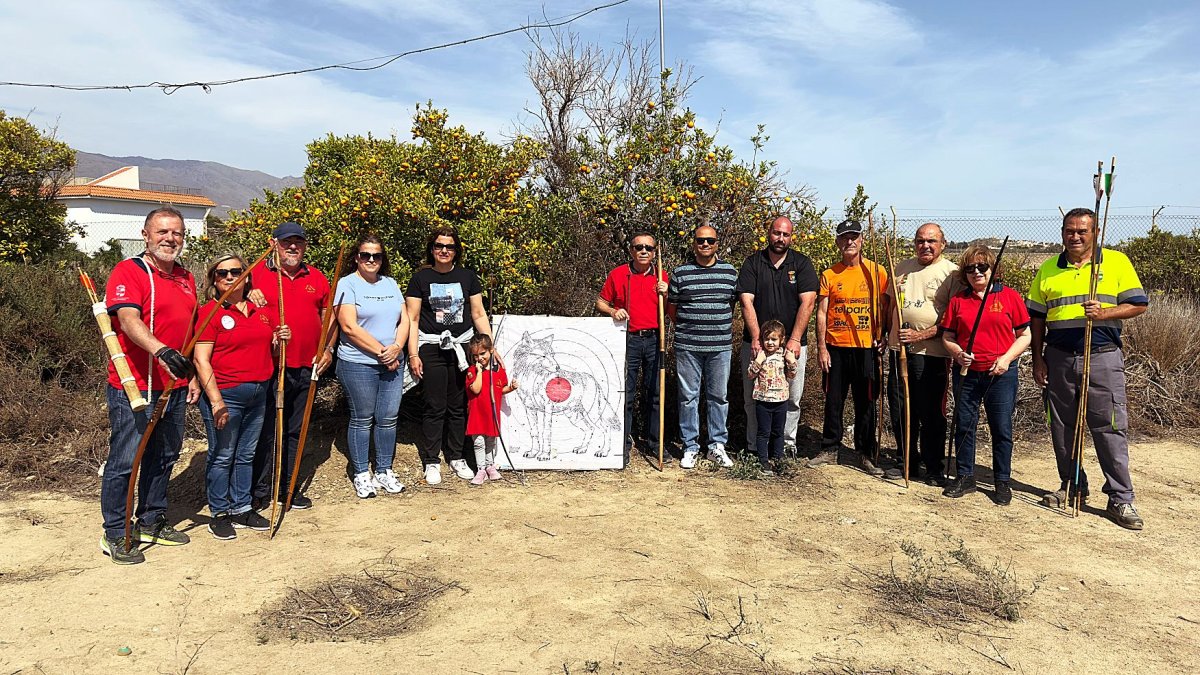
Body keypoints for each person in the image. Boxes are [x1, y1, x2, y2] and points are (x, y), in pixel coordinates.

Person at [1028, 207, 1149, 530]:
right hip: (1058, 356)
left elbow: (1138, 304)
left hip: (1102, 356)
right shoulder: (1049, 268)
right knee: (1062, 427)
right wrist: (1037, 358)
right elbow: (1037, 317)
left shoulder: (1116, 262)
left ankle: (1120, 498)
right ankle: (1072, 486)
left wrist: (1105, 313)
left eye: (1082, 231)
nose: (1075, 236)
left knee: (1108, 426)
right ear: (1062, 232)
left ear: (1095, 232)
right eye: (1069, 230)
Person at [100, 206, 198, 564]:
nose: (170, 239)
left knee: (164, 456)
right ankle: (115, 530)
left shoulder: (185, 277)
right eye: (162, 232)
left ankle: (151, 519)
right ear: (146, 234)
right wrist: (161, 351)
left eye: (176, 233)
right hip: (135, 386)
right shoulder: (130, 271)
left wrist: (190, 377)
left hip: (172, 386)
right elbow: (127, 319)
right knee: (126, 460)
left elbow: (192, 329)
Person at [194, 254, 290, 538]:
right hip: (225, 393)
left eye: (236, 271)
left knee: (246, 454)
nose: (229, 277)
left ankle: (241, 507)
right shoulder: (210, 312)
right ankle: (219, 512)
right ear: (214, 279)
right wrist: (216, 401)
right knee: (223, 454)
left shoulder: (262, 311)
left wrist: (280, 340)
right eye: (221, 273)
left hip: (259, 392)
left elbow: (271, 353)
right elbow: (201, 360)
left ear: (246, 276)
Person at [248, 222, 333, 512]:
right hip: (270, 367)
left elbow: (328, 318)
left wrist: (328, 350)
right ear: (274, 244)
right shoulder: (255, 274)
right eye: (287, 242)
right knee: (267, 430)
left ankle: (288, 488)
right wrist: (248, 295)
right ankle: (259, 491)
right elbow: (230, 303)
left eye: (298, 242)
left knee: (296, 431)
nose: (293, 247)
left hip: (307, 367)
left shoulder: (317, 277)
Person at [939, 246, 1030, 504]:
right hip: (967, 374)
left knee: (1001, 428)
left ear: (993, 269)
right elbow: (948, 337)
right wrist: (957, 354)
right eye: (970, 269)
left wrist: (1006, 359)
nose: (976, 273)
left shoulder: (1010, 297)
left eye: (982, 267)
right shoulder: (959, 301)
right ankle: (965, 476)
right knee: (964, 425)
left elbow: (1025, 335)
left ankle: (1002, 481)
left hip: (1000, 375)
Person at [406, 226, 492, 485]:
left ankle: (456, 456)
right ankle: (432, 460)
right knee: (434, 405)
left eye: (450, 246)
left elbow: (478, 314)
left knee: (458, 405)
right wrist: (412, 354)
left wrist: (489, 346)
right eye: (439, 246)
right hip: (431, 347)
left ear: (456, 251)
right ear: (432, 250)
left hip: (462, 347)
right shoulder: (420, 279)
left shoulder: (467, 277)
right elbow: (412, 318)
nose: (444, 250)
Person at [883, 223, 961, 484]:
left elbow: (954, 319)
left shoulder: (952, 273)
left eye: (931, 241)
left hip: (932, 354)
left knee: (930, 412)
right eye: (920, 241)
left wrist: (921, 334)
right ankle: (907, 460)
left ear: (943, 243)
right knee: (902, 408)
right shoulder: (902, 267)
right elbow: (889, 305)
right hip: (898, 350)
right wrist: (884, 335)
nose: (925, 246)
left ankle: (934, 467)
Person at [736, 216, 819, 457]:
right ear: (768, 233)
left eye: (785, 234)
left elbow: (809, 301)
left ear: (791, 237)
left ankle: (786, 444)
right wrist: (756, 339)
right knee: (753, 396)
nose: (780, 238)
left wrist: (794, 339)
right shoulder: (753, 263)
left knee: (791, 397)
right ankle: (755, 446)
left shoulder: (801, 263)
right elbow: (745, 301)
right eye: (776, 233)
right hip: (757, 345)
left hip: (791, 345)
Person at [336, 234, 409, 498]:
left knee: (388, 419)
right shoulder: (347, 284)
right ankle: (360, 473)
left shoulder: (390, 283)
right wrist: (382, 353)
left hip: (392, 361)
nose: (370, 260)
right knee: (362, 418)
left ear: (382, 258)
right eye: (365, 255)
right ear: (357, 257)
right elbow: (348, 326)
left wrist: (397, 348)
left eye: (376, 255)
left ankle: (384, 469)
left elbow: (405, 319)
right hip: (359, 363)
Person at [812, 218, 888, 474]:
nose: (850, 241)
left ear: (862, 240)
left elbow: (887, 308)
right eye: (844, 237)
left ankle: (865, 453)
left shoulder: (877, 272)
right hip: (836, 346)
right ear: (837, 242)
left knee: (866, 401)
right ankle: (830, 448)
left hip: (866, 346)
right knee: (833, 399)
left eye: (854, 236)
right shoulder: (829, 274)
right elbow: (821, 313)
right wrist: (821, 347)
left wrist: (884, 335)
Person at [666, 225, 737, 469]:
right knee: (688, 397)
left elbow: (731, 305)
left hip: (720, 346)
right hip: (688, 346)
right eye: (700, 240)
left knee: (719, 397)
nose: (705, 244)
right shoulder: (681, 273)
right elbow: (672, 309)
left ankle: (717, 446)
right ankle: (690, 446)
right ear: (694, 244)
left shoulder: (730, 273)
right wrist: (691, 326)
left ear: (717, 243)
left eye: (710, 240)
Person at [596, 232, 669, 463]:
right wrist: (612, 311)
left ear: (655, 252)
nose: (644, 251)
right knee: (624, 394)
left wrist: (666, 294)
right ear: (631, 251)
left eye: (649, 247)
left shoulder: (661, 277)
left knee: (655, 393)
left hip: (655, 339)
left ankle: (654, 443)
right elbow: (600, 302)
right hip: (627, 339)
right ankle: (622, 444)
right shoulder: (619, 274)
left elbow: (670, 310)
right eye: (639, 247)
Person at [465, 334, 518, 485]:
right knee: (479, 442)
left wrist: (511, 388)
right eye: (475, 355)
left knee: (490, 441)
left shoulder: (499, 371)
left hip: (491, 413)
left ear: (491, 351)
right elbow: (475, 389)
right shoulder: (471, 371)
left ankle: (490, 466)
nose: (479, 358)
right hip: (477, 414)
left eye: (483, 354)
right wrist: (480, 372)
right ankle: (480, 469)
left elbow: (500, 390)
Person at [748, 320, 797, 474]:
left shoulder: (784, 355)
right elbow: (750, 375)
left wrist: (792, 362)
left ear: (781, 339)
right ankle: (763, 461)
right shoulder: (760, 355)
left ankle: (779, 459)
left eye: (774, 339)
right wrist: (758, 361)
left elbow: (791, 375)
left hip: (781, 400)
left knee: (778, 432)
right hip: (763, 400)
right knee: (763, 432)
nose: (770, 342)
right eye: (767, 339)